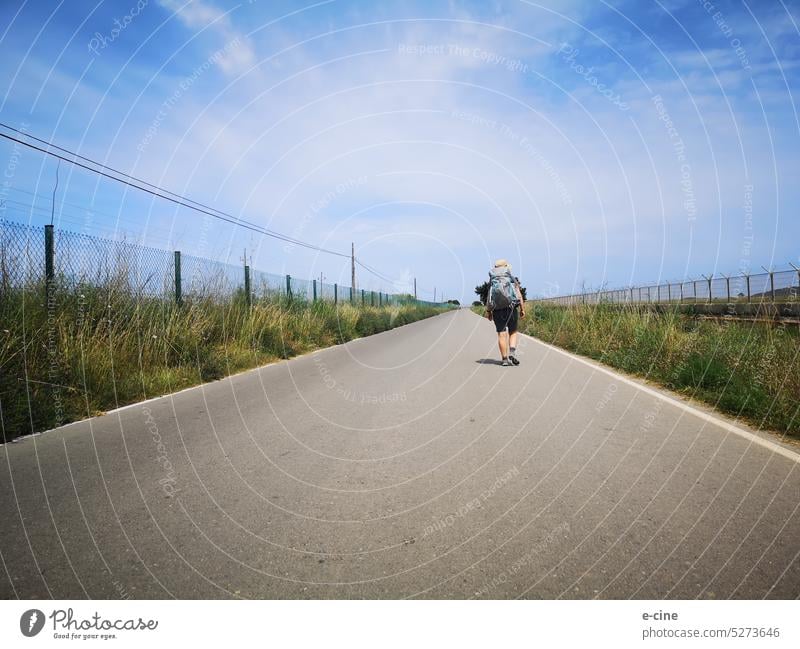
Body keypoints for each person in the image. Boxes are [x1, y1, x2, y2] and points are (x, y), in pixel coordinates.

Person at [485, 259, 525, 366]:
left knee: (501, 335)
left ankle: (504, 360)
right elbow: (519, 295)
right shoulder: (511, 278)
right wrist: (522, 309)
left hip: (497, 310)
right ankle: (512, 353)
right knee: (513, 332)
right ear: (506, 267)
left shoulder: (492, 280)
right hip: (511, 308)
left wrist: (489, 311)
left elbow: (489, 297)